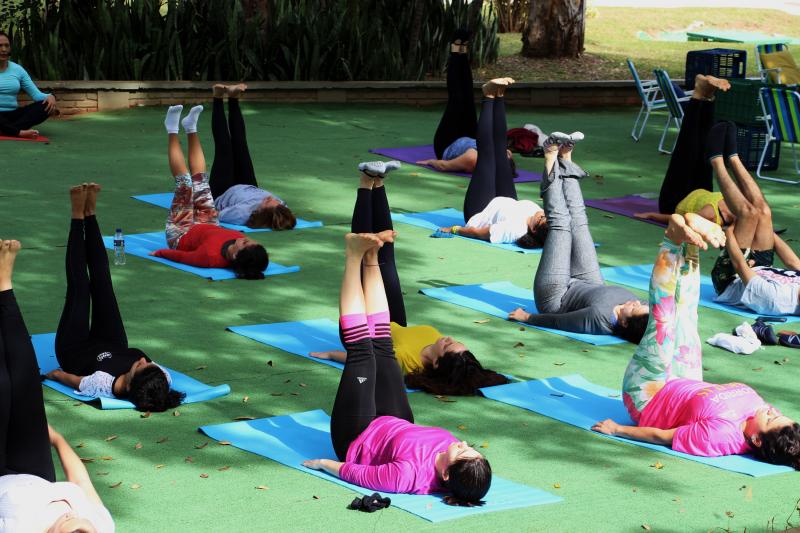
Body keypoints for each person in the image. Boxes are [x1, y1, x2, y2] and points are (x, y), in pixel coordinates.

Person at [592, 213, 800, 470]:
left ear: (756, 439)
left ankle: (671, 241)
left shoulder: (721, 438)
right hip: (683, 381)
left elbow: (663, 436)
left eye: (771, 419)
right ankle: (691, 240)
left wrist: (618, 429)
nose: (771, 411)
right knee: (688, 314)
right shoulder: (762, 411)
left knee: (664, 321)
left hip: (649, 395)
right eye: (778, 414)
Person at [302, 230, 492, 505]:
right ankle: (371, 255)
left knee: (362, 352)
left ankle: (353, 255)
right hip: (393, 424)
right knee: (382, 347)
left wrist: (323, 463)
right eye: (472, 450)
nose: (463, 445)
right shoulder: (455, 458)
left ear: (447, 476)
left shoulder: (407, 475)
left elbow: (358, 474)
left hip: (356, 435)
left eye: (463, 452)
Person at [310, 161, 508, 395]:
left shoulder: (405, 363)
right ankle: (379, 180)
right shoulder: (435, 341)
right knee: (387, 254)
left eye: (448, 344)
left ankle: (365, 182)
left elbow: (368, 363)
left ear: (436, 363)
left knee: (366, 254)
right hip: (393, 321)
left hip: (366, 333)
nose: (448, 338)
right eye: (454, 340)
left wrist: (333, 355)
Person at [0, 238, 114, 532]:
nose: (76, 521)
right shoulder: (101, 526)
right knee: (25, 377)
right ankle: (4, 287)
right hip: (36, 470)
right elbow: (80, 482)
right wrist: (57, 439)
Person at [46, 184, 185, 413]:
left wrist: (55, 374)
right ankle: (90, 214)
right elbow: (158, 380)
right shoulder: (160, 378)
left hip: (74, 348)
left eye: (141, 366)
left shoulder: (102, 385)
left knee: (80, 288)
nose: (144, 361)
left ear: (129, 383)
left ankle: (77, 216)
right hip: (111, 342)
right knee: (103, 284)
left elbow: (69, 379)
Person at [507, 135, 649, 343]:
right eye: (640, 304)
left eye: (634, 309)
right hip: (591, 283)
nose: (635, 302)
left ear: (625, 323)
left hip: (556, 295)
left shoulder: (598, 320)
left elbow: (560, 321)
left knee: (560, 224)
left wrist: (527, 317)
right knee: (579, 221)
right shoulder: (643, 313)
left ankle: (549, 158)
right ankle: (566, 159)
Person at [151, 104, 269, 280]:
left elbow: (183, 257)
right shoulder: (240, 243)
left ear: (235, 256)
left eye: (245, 242)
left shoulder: (210, 258)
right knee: (201, 180)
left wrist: (160, 253)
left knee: (186, 185)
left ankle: (172, 129)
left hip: (181, 233)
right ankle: (191, 126)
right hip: (209, 223)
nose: (246, 239)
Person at [437, 78, 547, 249]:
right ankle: (500, 94)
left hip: (480, 210)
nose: (543, 213)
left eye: (542, 217)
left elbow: (477, 233)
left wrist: (454, 229)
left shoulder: (513, 230)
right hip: (507, 202)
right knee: (502, 153)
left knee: (487, 155)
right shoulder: (545, 224)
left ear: (533, 228)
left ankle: (488, 95)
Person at [704, 121, 800, 317]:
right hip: (761, 265)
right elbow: (794, 263)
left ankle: (716, 160)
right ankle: (734, 157)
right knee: (763, 212)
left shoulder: (775, 301)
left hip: (731, 278)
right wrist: (768, 232)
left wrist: (730, 232)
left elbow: (739, 265)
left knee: (748, 214)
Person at [634, 75, 735, 227]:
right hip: (703, 189)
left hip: (675, 199)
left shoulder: (711, 216)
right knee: (704, 148)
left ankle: (699, 94)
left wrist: (652, 215)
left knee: (688, 148)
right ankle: (708, 96)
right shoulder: (738, 205)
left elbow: (683, 220)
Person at [417, 39, 516, 176]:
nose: (506, 153)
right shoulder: (505, 154)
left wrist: (430, 162)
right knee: (468, 97)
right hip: (470, 137)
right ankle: (462, 51)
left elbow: (444, 166)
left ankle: (455, 50)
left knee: (456, 99)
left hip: (447, 143)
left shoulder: (472, 159)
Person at [209, 84, 296, 230]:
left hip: (223, 191)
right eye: (274, 201)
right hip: (248, 185)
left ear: (261, 212)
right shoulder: (280, 206)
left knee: (224, 147)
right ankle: (233, 97)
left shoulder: (242, 214)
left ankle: (217, 97)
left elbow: (215, 214)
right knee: (240, 143)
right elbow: (284, 216)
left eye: (268, 202)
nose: (270, 198)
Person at [0, 30, 57, 138]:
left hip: (13, 115)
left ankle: (6, 130)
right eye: (0, 46)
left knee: (45, 105)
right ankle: (18, 132)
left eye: (6, 45)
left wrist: (51, 96)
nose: (3, 49)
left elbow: (36, 95)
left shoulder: (18, 70)